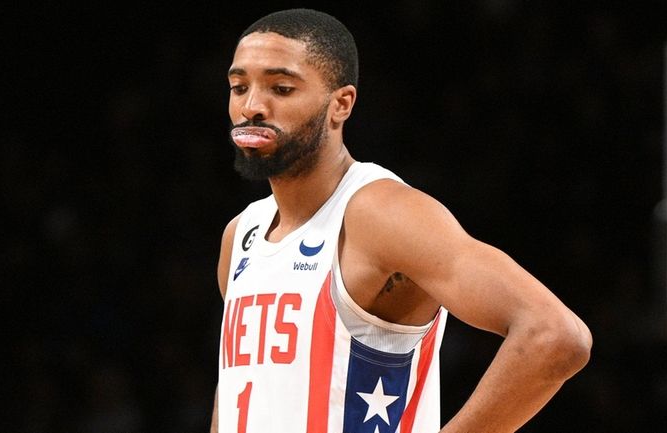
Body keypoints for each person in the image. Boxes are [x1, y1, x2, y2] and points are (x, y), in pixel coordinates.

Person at [211, 8, 592, 433]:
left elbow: (555, 335)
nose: (252, 107)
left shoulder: (380, 213)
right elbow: (236, 395)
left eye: (281, 88)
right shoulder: (240, 234)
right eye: (239, 87)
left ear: (341, 104)